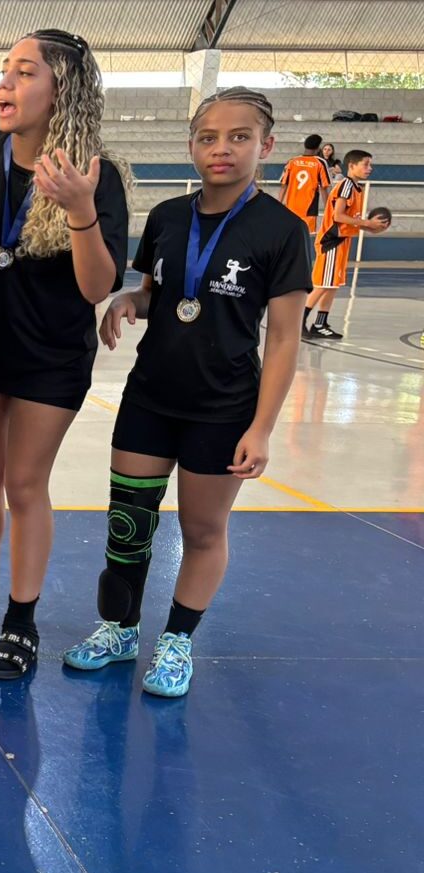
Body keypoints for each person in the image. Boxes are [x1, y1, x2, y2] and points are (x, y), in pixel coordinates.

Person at [65, 88, 308, 698]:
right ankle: (119, 631)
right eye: (208, 137)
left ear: (266, 146)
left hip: (223, 408)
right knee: (128, 525)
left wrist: (261, 428)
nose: (221, 149)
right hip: (150, 397)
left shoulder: (282, 230)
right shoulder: (168, 217)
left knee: (201, 531)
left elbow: (283, 338)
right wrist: (128, 300)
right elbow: (162, 294)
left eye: (239, 137)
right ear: (191, 146)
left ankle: (176, 641)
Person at [0, 30, 129, 681]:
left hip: (50, 354)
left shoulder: (94, 172)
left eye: (24, 72)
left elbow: (97, 287)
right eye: (5, 70)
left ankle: (21, 620)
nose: (6, 83)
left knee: (23, 483)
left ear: (60, 92)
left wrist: (79, 209)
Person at [304, 149, 387, 340]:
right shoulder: (346, 185)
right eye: (365, 164)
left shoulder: (357, 189)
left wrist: (370, 227)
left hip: (342, 240)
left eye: (370, 164)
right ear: (351, 166)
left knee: (333, 284)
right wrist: (367, 223)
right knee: (323, 284)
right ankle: (299, 321)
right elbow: (338, 216)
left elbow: (350, 220)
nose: (369, 168)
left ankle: (320, 324)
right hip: (331, 241)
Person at [278, 134, 330, 236]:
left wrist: (278, 205)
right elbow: (324, 188)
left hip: (291, 208)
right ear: (318, 148)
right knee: (306, 237)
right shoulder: (320, 163)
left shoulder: (292, 161)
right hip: (309, 209)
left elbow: (284, 185)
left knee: (290, 236)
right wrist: (329, 209)